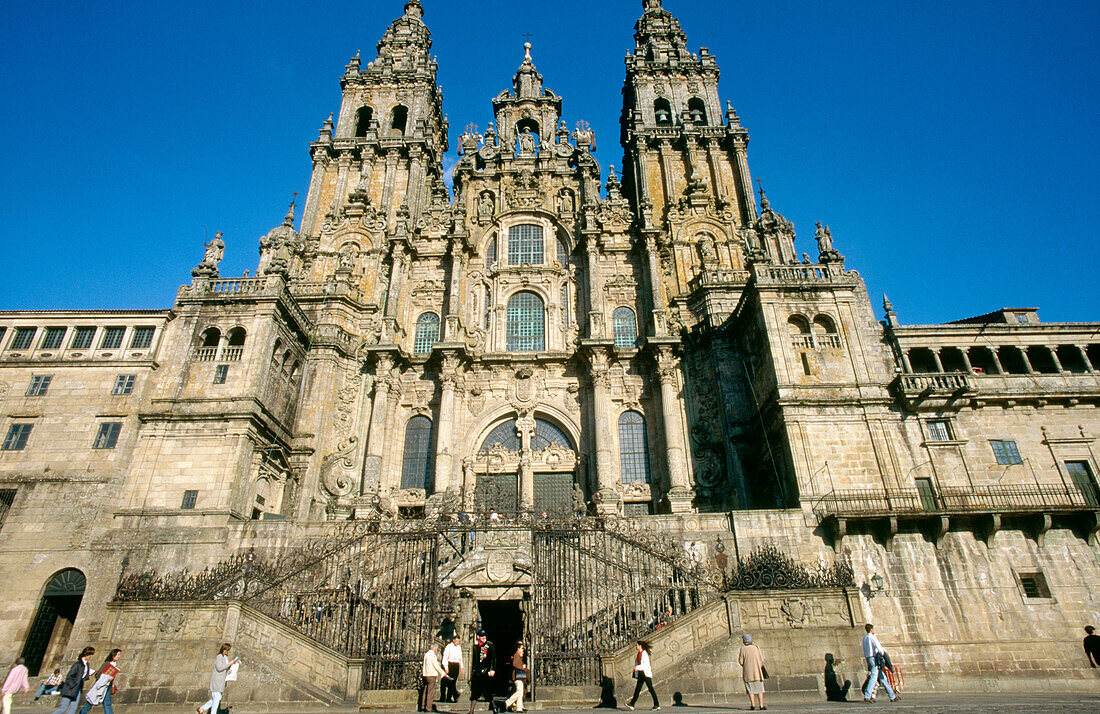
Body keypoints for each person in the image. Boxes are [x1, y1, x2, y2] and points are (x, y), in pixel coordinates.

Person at [50, 647, 95, 714]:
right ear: (86, 654)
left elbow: (81, 676)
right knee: (63, 709)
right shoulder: (78, 664)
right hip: (70, 689)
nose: (91, 656)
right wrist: (73, 686)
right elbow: (69, 677)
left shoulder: (86, 665)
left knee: (73, 709)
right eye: (90, 654)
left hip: (78, 689)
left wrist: (87, 676)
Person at [197, 643, 238, 714]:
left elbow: (225, 668)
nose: (227, 652)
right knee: (217, 698)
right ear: (223, 649)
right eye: (226, 650)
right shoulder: (219, 657)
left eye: (228, 650)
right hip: (217, 680)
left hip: (221, 681)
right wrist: (229, 663)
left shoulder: (225, 657)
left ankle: (202, 708)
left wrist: (232, 665)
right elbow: (219, 668)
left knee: (216, 698)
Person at [861, 624, 898, 703]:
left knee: (882, 678)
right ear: (871, 629)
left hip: (868, 658)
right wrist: (883, 656)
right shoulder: (872, 637)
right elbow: (879, 648)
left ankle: (892, 696)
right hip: (874, 658)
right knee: (874, 677)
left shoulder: (864, 639)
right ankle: (867, 695)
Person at [78, 649, 121, 714]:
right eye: (118, 655)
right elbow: (98, 674)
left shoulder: (114, 665)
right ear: (113, 655)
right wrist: (107, 678)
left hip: (107, 686)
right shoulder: (106, 664)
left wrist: (112, 684)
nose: (119, 656)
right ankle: (82, 712)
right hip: (101, 686)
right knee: (91, 701)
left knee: (107, 704)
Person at [467, 630, 496, 714]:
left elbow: (493, 658)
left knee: (487, 693)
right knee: (475, 692)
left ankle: (494, 707)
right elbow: (473, 660)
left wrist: (492, 669)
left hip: (486, 671)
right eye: (482, 636)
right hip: (477, 673)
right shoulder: (475, 646)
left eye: (485, 636)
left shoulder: (489, 645)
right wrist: (472, 672)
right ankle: (471, 711)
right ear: (478, 636)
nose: (484, 638)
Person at [625, 640, 659, 710]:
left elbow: (645, 665)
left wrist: (637, 668)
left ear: (640, 646)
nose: (636, 646)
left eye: (637, 645)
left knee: (650, 689)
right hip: (641, 673)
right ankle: (632, 704)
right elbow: (637, 663)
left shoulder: (644, 654)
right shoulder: (638, 654)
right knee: (637, 689)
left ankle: (657, 704)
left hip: (645, 673)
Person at [737, 634, 766, 711]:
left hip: (748, 672)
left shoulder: (743, 649)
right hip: (757, 672)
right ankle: (761, 705)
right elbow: (762, 659)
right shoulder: (756, 648)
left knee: (751, 690)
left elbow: (741, 661)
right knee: (760, 689)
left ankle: (752, 705)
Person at [420, 643, 446, 712]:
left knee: (425, 690)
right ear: (434, 648)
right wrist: (442, 672)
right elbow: (436, 665)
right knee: (430, 692)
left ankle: (423, 706)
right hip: (431, 674)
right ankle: (428, 707)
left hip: (425, 674)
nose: (436, 650)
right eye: (436, 649)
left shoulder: (426, 654)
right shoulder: (432, 655)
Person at [503, 642, 526, 712]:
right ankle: (508, 702)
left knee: (520, 692)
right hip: (517, 676)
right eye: (521, 648)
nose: (523, 650)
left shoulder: (519, 656)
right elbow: (515, 664)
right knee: (519, 691)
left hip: (519, 676)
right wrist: (522, 667)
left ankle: (519, 707)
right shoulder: (516, 655)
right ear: (518, 649)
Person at [442, 634, 464, 703]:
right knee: (451, 681)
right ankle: (454, 695)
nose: (457, 643)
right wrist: (446, 667)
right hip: (450, 664)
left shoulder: (459, 647)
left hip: (456, 665)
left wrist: (461, 666)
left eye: (458, 641)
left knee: (453, 681)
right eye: (456, 641)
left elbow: (460, 657)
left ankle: (451, 697)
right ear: (453, 640)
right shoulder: (449, 647)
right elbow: (445, 657)